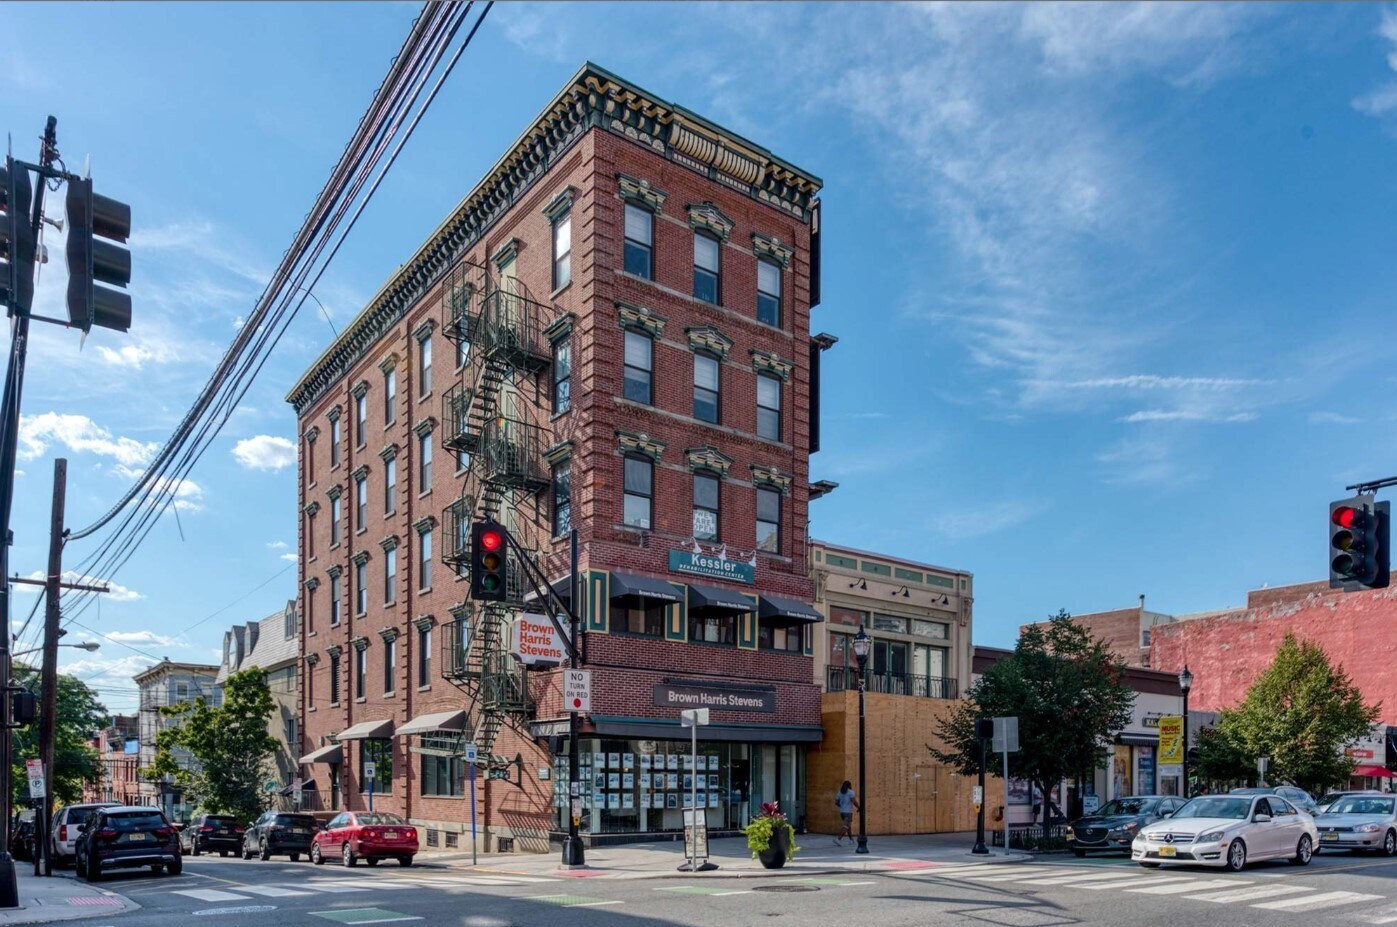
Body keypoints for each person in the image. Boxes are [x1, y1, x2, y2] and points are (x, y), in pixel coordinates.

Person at [834, 780, 859, 845]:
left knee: (848, 826)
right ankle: (838, 839)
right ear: (849, 785)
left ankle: (851, 840)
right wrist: (859, 807)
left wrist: (842, 806)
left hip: (842, 812)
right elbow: (854, 801)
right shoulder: (851, 792)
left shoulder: (840, 792)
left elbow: (836, 802)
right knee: (846, 826)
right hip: (848, 812)